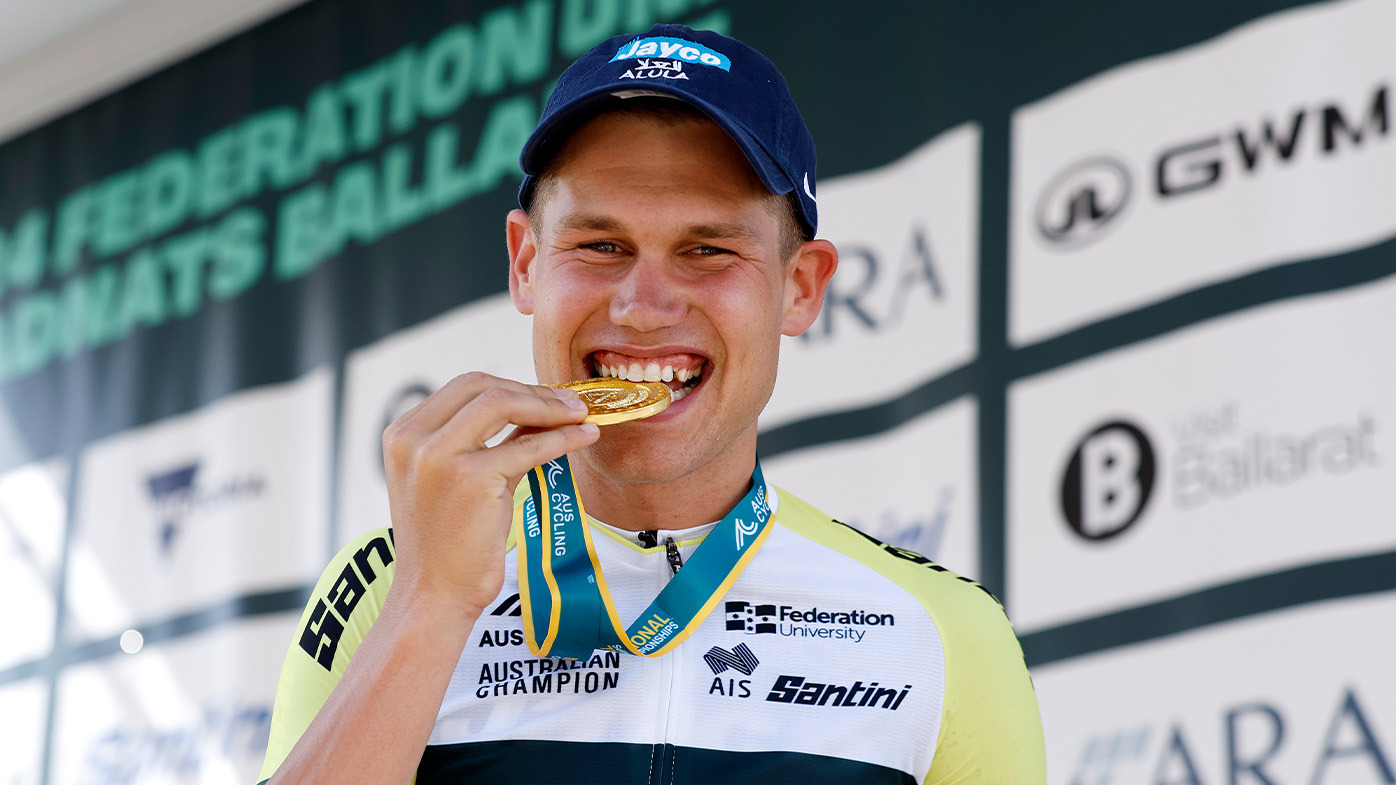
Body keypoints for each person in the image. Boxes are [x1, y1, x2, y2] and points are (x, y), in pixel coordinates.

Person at [258, 23, 1044, 785]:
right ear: (527, 263)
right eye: (601, 245)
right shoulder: (387, 585)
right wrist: (429, 606)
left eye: (708, 250)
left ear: (800, 287)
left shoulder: (940, 628)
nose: (643, 305)